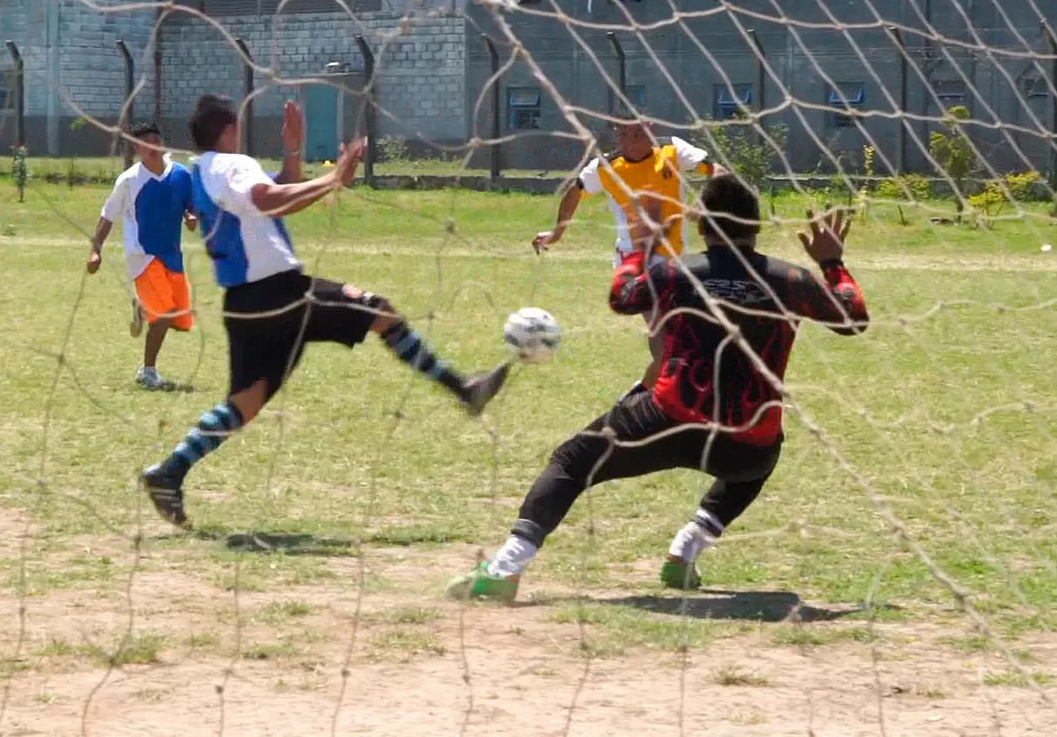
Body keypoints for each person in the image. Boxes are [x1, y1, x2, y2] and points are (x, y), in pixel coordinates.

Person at [450, 176, 869, 601]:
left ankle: (505, 569)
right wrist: (833, 262)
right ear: (755, 225)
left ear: (701, 222)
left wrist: (640, 249)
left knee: (573, 462)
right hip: (745, 444)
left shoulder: (675, 272)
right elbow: (853, 317)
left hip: (667, 420)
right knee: (763, 453)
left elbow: (621, 297)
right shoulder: (791, 278)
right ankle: (684, 553)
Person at [139, 95, 512, 528]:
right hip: (282, 294)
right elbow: (270, 199)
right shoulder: (231, 164)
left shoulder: (204, 171)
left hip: (244, 303)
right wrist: (334, 179)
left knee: (245, 403)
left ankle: (170, 471)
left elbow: (281, 187)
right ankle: (462, 389)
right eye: (236, 126)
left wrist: (294, 149)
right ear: (227, 131)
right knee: (380, 311)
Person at [533, 117, 723, 395]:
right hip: (635, 262)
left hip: (676, 260)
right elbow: (575, 192)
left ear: (650, 131)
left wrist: (706, 199)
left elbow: (718, 171)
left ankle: (656, 390)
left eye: (637, 134)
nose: (630, 143)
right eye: (624, 135)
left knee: (687, 329)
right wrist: (556, 233)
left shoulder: (671, 151)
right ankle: (649, 395)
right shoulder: (606, 167)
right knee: (663, 328)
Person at [87, 122, 198, 390]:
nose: (152, 147)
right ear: (136, 148)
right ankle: (147, 372)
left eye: (155, 141)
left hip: (171, 253)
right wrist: (95, 250)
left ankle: (142, 306)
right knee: (164, 313)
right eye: (144, 143)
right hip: (142, 255)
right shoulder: (129, 181)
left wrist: (191, 217)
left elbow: (189, 207)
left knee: (179, 320)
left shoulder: (181, 175)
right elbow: (107, 216)